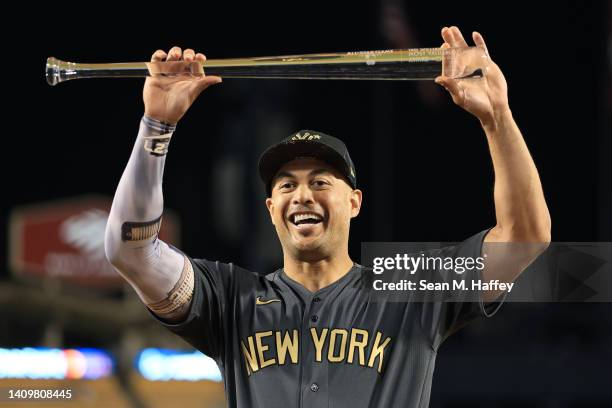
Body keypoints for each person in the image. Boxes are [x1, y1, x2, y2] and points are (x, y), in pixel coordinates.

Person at [105, 26, 551, 407]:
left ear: (354, 202)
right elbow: (131, 250)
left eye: (321, 182)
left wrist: (498, 118)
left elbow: (526, 238)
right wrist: (156, 127)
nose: (302, 195)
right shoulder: (230, 300)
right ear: (271, 210)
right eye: (286, 186)